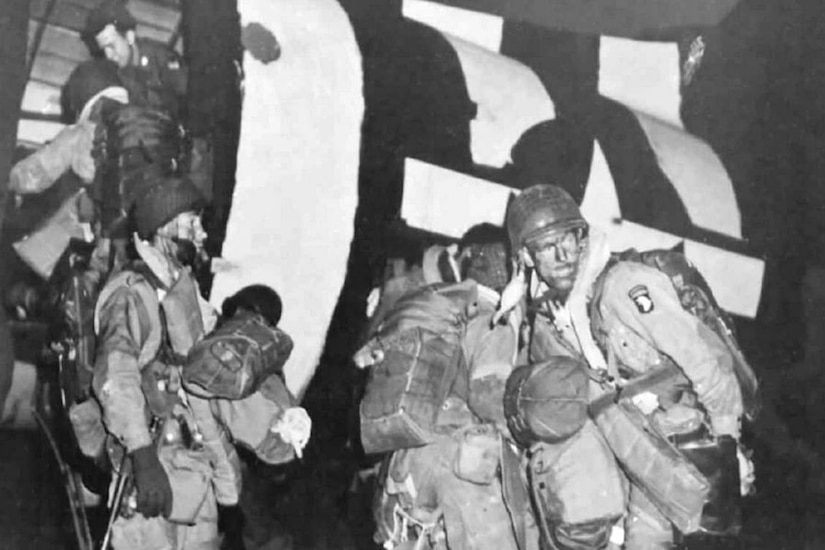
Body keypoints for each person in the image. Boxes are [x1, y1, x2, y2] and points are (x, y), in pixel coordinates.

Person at [500, 183, 750, 549]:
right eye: (545, 246)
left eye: (569, 238)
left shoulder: (624, 285)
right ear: (526, 256)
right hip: (637, 449)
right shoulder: (554, 316)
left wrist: (729, 450)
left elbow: (707, 364)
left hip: (684, 445)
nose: (563, 254)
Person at [93, 175, 239, 549]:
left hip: (193, 470)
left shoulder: (182, 291)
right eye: (193, 223)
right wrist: (142, 457)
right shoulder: (132, 293)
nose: (202, 234)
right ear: (162, 230)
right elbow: (117, 374)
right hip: (152, 473)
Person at [368, 225, 525, 550]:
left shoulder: (435, 305)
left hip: (409, 453)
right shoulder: (493, 322)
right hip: (456, 456)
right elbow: (488, 397)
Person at [82, 0, 187, 119]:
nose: (109, 55)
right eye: (103, 49)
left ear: (129, 37)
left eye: (111, 46)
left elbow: (189, 99)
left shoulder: (161, 58)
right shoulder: (111, 74)